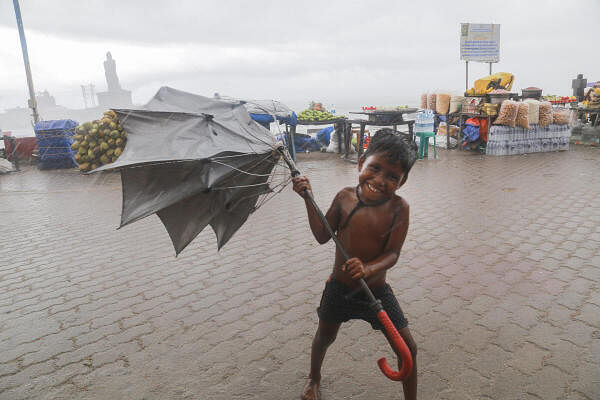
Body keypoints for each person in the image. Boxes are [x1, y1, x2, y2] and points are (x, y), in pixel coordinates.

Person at [292, 129, 419, 400]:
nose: (379, 180)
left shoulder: (399, 209)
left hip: (376, 293)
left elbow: (393, 254)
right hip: (339, 289)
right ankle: (314, 379)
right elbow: (322, 235)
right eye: (374, 168)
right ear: (361, 163)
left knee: (408, 349)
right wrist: (307, 199)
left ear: (403, 181)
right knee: (324, 338)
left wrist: (369, 268)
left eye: (392, 176)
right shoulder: (344, 198)